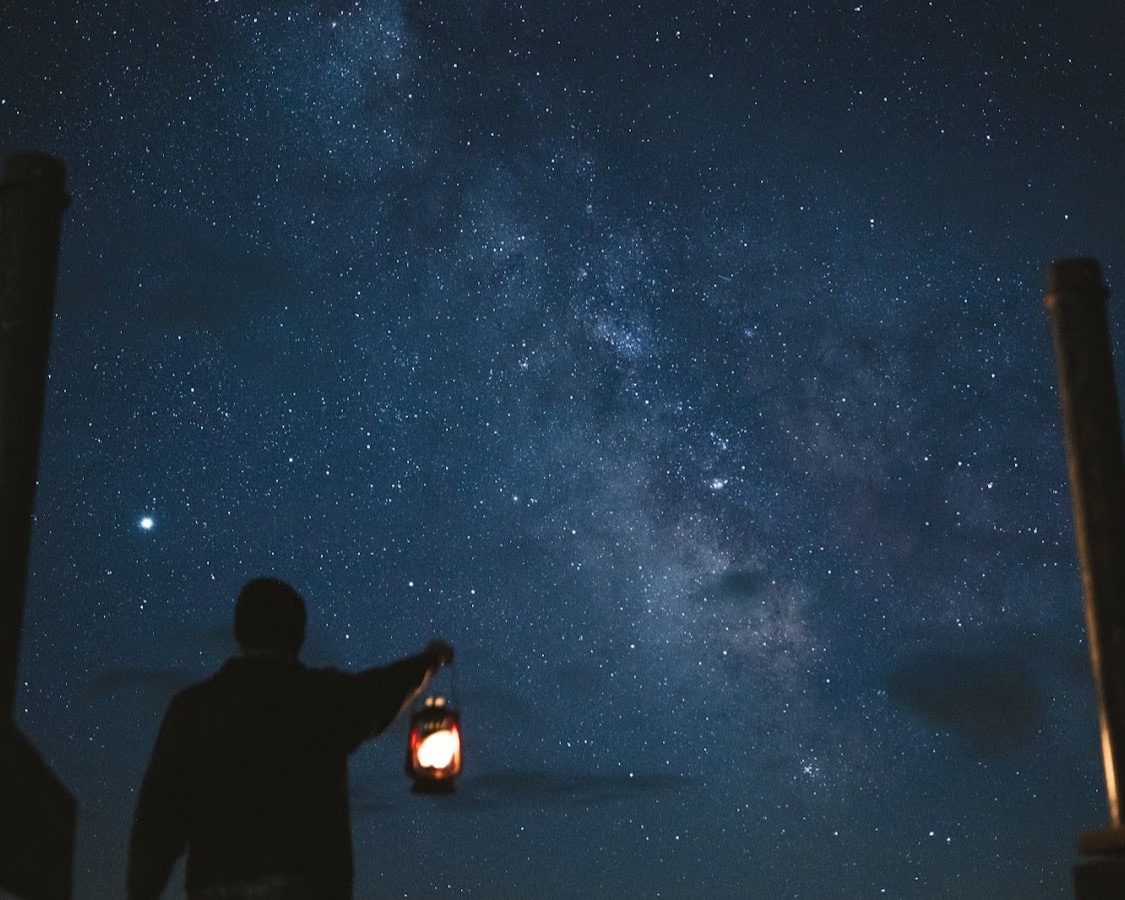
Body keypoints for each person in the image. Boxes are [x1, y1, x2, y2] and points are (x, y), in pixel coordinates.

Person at [128, 577, 454, 900]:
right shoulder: (326, 699)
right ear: (298, 637)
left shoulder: (193, 708)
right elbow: (387, 687)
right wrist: (431, 660)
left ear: (239, 632)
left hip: (218, 888)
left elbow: (159, 820)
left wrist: (143, 890)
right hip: (310, 887)